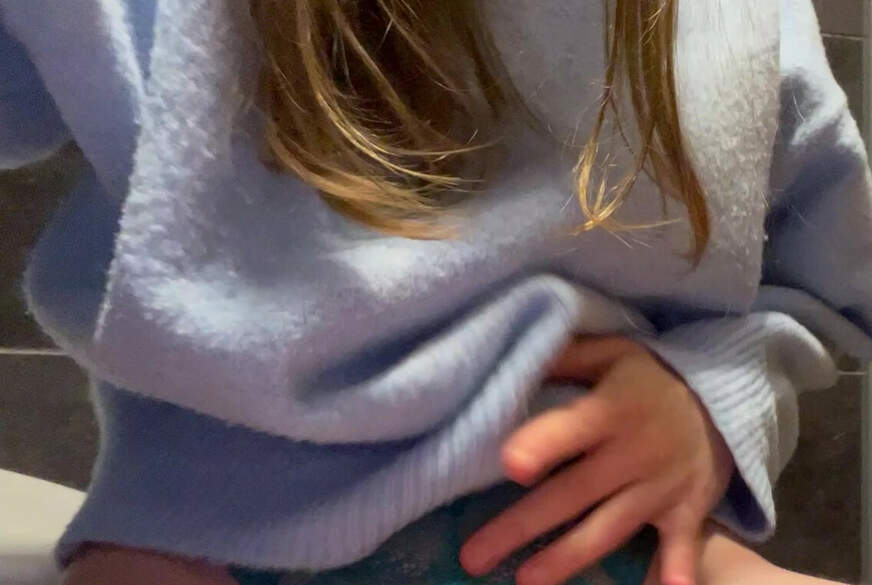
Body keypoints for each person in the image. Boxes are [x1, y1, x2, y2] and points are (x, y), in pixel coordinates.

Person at [1, 0, 868, 583]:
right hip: (200, 538)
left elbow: (825, 283)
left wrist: (712, 393)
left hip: (597, 517)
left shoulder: (738, 21)